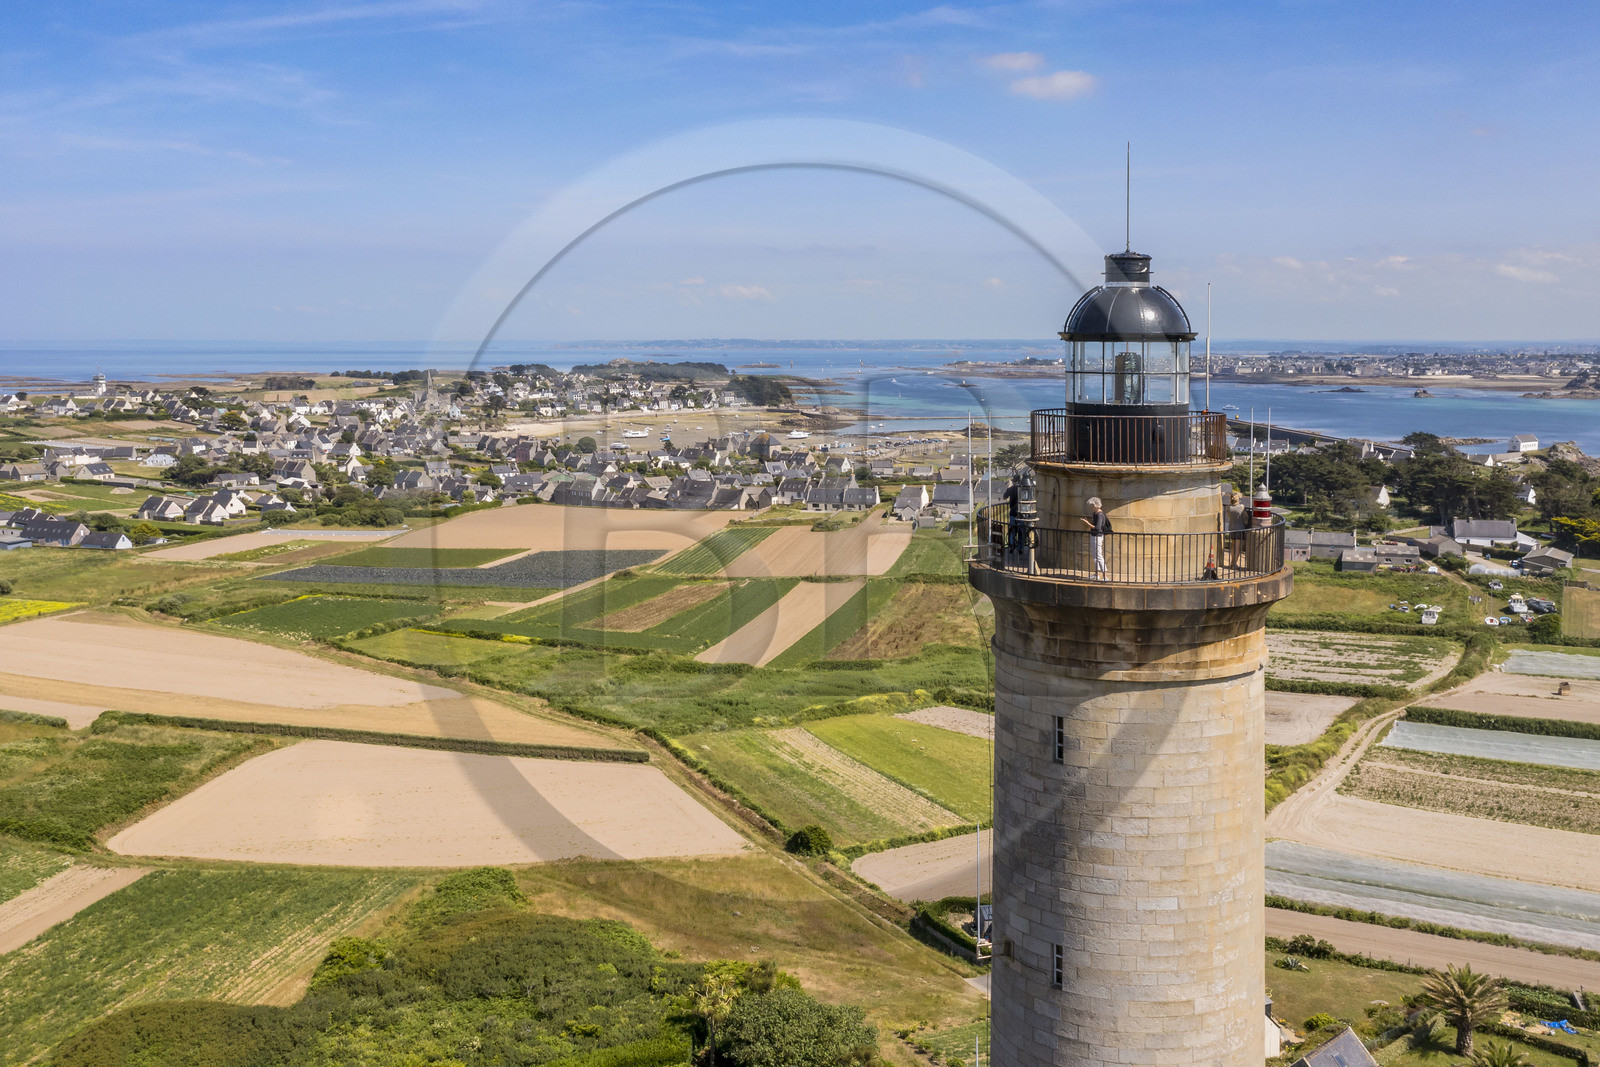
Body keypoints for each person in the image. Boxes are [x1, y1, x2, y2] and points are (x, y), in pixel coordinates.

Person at [1082, 496, 1111, 578]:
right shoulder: (1095, 513)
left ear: (1095, 505)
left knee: (1098, 556)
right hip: (1094, 535)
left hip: (1097, 536)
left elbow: (1097, 528)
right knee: (1095, 555)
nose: (1091, 508)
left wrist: (1087, 523)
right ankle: (1097, 574)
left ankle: (1105, 576)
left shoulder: (1100, 514)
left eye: (1091, 506)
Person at [1226, 489, 1250, 569]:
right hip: (1240, 528)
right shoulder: (1242, 507)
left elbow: (1229, 517)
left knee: (1233, 545)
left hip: (1232, 528)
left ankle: (1232, 562)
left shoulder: (1228, 507)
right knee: (1237, 547)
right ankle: (1234, 564)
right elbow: (1246, 518)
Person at [1001, 476, 1021, 553]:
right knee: (1021, 531)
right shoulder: (1023, 489)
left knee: (1012, 530)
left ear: (1014, 481)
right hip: (1022, 513)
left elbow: (1004, 497)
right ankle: (1020, 548)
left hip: (1013, 512)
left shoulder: (1010, 489)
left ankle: (1012, 545)